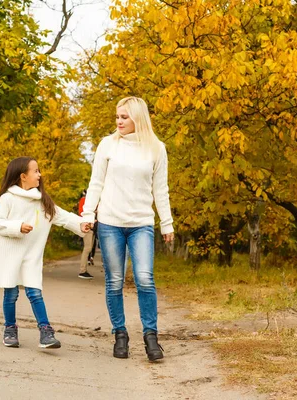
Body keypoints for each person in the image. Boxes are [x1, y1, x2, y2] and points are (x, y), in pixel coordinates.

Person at [82, 97, 174, 361]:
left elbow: (161, 189)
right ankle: (120, 335)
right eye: (117, 117)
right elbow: (96, 182)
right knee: (114, 282)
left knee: (145, 278)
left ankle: (151, 338)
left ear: (138, 118)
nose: (118, 121)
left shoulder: (156, 149)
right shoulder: (107, 144)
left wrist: (166, 222)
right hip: (110, 222)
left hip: (141, 223)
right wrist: (88, 214)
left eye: (124, 117)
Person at [0, 157, 90, 349]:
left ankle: (45, 331)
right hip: (11, 254)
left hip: (31, 255)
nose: (39, 175)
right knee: (10, 294)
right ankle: (10, 328)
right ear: (23, 176)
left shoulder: (42, 200)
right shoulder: (8, 198)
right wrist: (18, 226)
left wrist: (80, 224)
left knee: (35, 292)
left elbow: (61, 216)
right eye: (35, 171)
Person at [78, 190, 94, 279]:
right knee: (87, 248)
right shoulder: (84, 200)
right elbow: (81, 213)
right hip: (86, 226)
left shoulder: (88, 201)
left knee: (89, 248)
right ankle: (82, 271)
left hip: (90, 227)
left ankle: (84, 270)